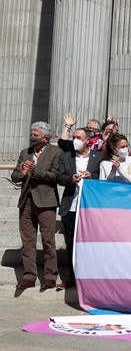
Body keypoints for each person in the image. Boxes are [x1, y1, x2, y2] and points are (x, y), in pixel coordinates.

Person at [11, 122, 63, 290]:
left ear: (46, 138)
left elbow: (55, 176)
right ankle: (29, 276)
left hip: (46, 202)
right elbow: (14, 176)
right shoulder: (25, 152)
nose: (32, 137)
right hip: (26, 201)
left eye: (35, 135)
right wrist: (22, 173)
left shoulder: (56, 152)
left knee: (48, 240)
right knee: (28, 241)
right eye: (31, 134)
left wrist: (34, 171)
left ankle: (49, 276)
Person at [57, 127, 103, 289]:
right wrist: (71, 179)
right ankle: (73, 277)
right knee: (71, 244)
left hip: (90, 208)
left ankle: (90, 278)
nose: (75, 140)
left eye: (78, 137)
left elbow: (104, 179)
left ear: (87, 140)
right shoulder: (66, 156)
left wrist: (93, 177)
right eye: (74, 137)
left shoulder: (99, 157)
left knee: (90, 244)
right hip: (70, 206)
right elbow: (59, 176)